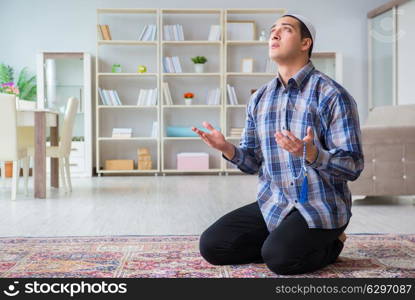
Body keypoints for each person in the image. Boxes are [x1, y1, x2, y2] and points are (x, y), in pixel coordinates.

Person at [192, 13, 364, 275]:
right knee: (212, 247)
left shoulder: (332, 95)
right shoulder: (259, 98)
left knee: (280, 261)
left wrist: (313, 155)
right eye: (272, 30)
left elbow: (353, 166)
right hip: (274, 201)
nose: (274, 34)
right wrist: (227, 148)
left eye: (285, 30)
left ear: (305, 43)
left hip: (321, 206)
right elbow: (252, 163)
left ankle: (331, 245)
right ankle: (280, 243)